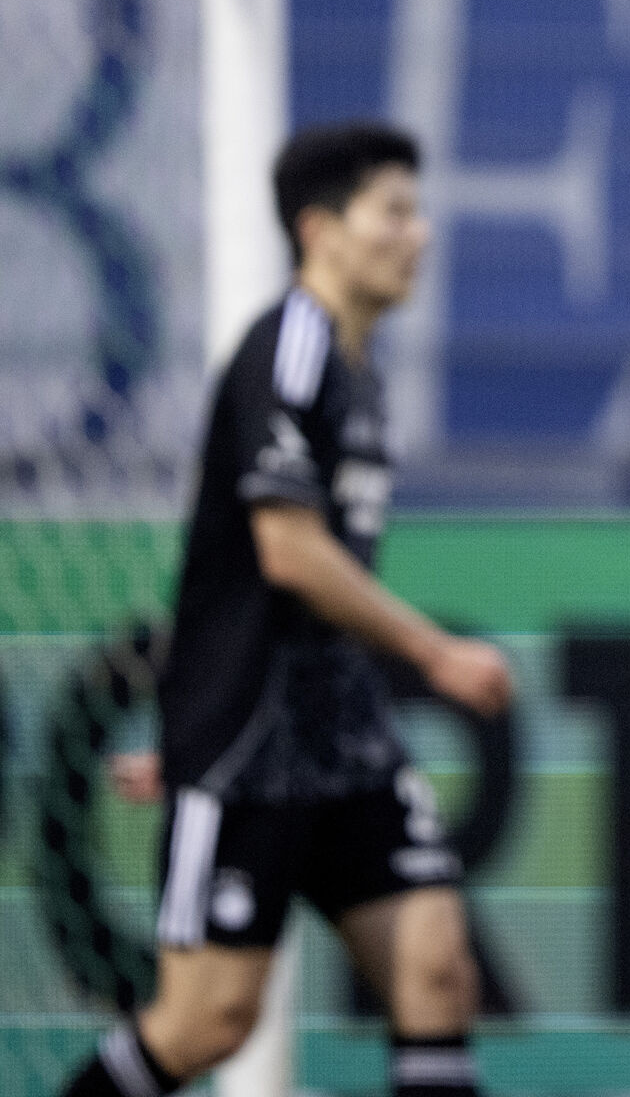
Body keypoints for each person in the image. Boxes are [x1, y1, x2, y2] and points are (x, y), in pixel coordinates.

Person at [62, 124, 514, 1097]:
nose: (420, 234)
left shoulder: (361, 370)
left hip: (343, 736)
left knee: (436, 969)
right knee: (207, 1022)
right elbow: (287, 551)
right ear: (320, 228)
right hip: (249, 744)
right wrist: (434, 654)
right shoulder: (289, 349)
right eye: (394, 212)